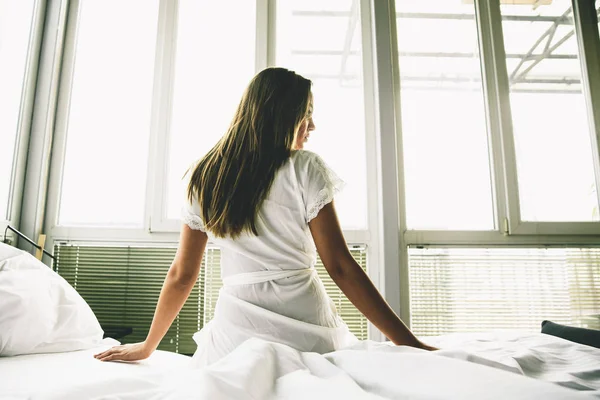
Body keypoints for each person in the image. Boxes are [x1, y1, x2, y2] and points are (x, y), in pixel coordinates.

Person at [94, 67, 435, 365]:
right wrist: (409, 343)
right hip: (306, 324)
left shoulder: (205, 175)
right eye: (307, 112)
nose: (312, 124)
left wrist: (148, 346)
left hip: (236, 334)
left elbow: (182, 274)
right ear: (283, 115)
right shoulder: (305, 168)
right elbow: (341, 267)